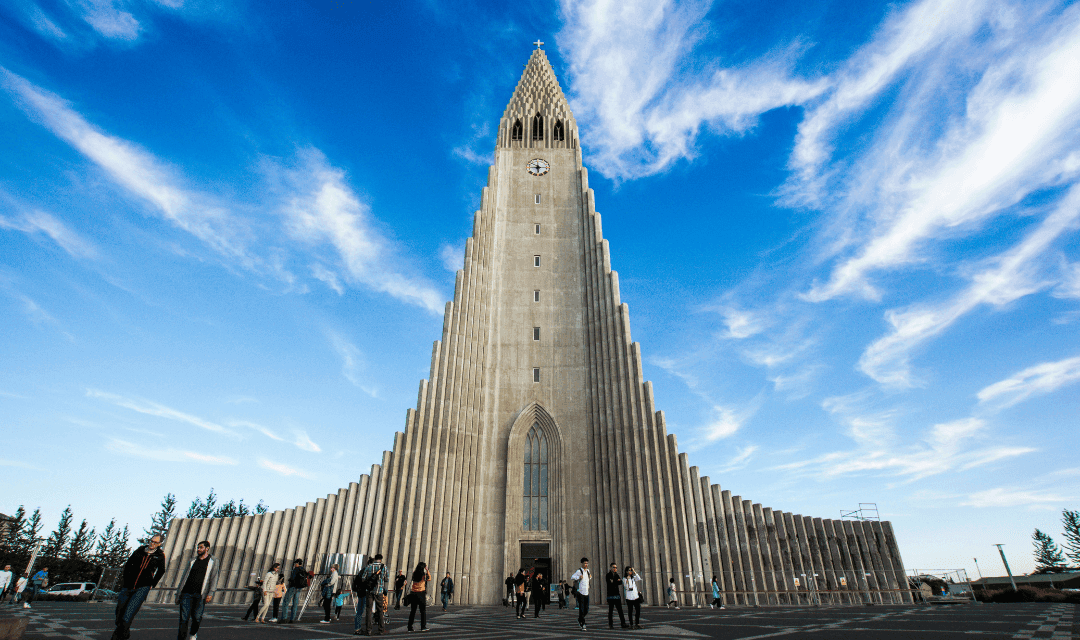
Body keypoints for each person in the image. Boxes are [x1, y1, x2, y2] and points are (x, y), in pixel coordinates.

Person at [112, 535, 168, 639]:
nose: (152, 543)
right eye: (151, 541)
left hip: (142, 588)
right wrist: (126, 579)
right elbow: (128, 564)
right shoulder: (139, 551)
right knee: (119, 613)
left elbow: (161, 570)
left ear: (160, 544)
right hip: (128, 585)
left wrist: (152, 583)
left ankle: (117, 637)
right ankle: (125, 633)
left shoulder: (160, 555)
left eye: (155, 542)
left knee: (127, 616)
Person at [174, 540, 218, 640]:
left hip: (200, 594)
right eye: (198, 547)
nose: (198, 549)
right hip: (186, 593)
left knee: (197, 618)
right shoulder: (192, 560)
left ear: (207, 548)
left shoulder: (213, 561)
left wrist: (211, 593)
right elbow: (184, 577)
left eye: (201, 547)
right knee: (183, 619)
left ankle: (193, 633)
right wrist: (178, 593)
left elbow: (214, 577)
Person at [354, 553, 387, 636]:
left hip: (369, 591)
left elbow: (363, 578)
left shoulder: (369, 567)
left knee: (368, 610)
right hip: (379, 591)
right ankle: (381, 629)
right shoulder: (384, 567)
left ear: (375, 558)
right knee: (380, 610)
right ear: (381, 559)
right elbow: (386, 579)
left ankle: (368, 630)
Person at [279, 558, 306, 624]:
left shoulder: (296, 569)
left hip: (293, 587)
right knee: (295, 603)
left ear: (297, 563)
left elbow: (293, 578)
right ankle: (292, 619)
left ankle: (284, 618)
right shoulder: (303, 569)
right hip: (299, 588)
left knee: (286, 602)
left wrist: (290, 581)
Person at [406, 561, 430, 632]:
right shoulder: (424, 575)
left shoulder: (414, 574)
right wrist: (427, 570)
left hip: (413, 594)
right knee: (422, 611)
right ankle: (423, 626)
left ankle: (410, 627)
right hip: (421, 594)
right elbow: (429, 578)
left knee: (412, 611)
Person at [570, 558, 592, 631]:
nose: (586, 564)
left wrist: (590, 577)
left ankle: (580, 619)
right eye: (585, 563)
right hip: (580, 593)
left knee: (586, 609)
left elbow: (587, 580)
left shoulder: (588, 571)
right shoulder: (579, 571)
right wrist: (578, 577)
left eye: (587, 563)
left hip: (586, 592)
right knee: (581, 609)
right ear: (582, 564)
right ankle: (583, 624)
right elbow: (572, 577)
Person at [606, 562, 628, 629]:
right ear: (611, 568)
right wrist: (616, 581)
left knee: (620, 610)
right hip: (610, 595)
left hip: (617, 595)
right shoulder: (608, 575)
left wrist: (614, 581)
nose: (615, 569)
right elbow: (609, 583)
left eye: (616, 567)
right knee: (611, 611)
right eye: (614, 567)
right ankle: (610, 624)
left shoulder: (616, 575)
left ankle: (623, 623)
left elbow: (620, 582)